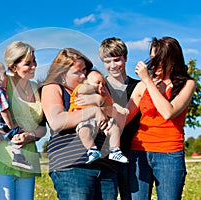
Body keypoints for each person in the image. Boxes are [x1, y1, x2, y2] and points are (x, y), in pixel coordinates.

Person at [41, 47, 118, 200]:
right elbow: (57, 121)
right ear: (62, 75)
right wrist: (93, 112)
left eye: (84, 70)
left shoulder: (96, 87)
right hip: (72, 165)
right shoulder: (53, 88)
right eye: (77, 72)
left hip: (105, 164)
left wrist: (101, 101)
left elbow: (116, 114)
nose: (83, 76)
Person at [0, 41, 47, 200]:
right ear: (13, 66)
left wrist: (30, 136)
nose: (34, 66)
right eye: (28, 63)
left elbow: (43, 128)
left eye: (34, 61)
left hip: (27, 159)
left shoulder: (37, 88)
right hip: (0, 158)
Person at [126, 36, 195, 200]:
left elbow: (168, 112)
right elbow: (124, 116)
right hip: (138, 152)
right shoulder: (143, 85)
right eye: (152, 59)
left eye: (159, 60)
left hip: (169, 153)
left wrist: (148, 81)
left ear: (172, 59)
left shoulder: (187, 84)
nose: (154, 64)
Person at [99, 37, 141, 200]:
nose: (112, 65)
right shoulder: (100, 86)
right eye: (107, 61)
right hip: (105, 157)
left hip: (132, 155)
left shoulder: (137, 86)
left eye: (116, 60)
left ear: (125, 58)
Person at [68, 69, 129, 164]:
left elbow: (112, 105)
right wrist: (93, 88)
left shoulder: (102, 96)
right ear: (86, 82)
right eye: (98, 83)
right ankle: (92, 150)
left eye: (103, 84)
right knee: (84, 131)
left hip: (102, 121)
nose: (101, 86)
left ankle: (115, 150)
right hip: (85, 119)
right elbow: (82, 89)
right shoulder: (81, 89)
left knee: (114, 128)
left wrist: (121, 109)